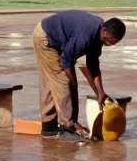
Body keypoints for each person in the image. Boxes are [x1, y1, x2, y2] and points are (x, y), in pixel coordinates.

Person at [32, 11, 126, 141]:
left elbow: (93, 66)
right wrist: (73, 82)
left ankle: (49, 128)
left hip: (56, 39)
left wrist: (100, 92)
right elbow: (66, 60)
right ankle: (67, 127)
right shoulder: (86, 35)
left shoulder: (98, 37)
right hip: (46, 38)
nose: (110, 45)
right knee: (63, 82)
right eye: (110, 41)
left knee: (52, 83)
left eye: (114, 43)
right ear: (105, 31)